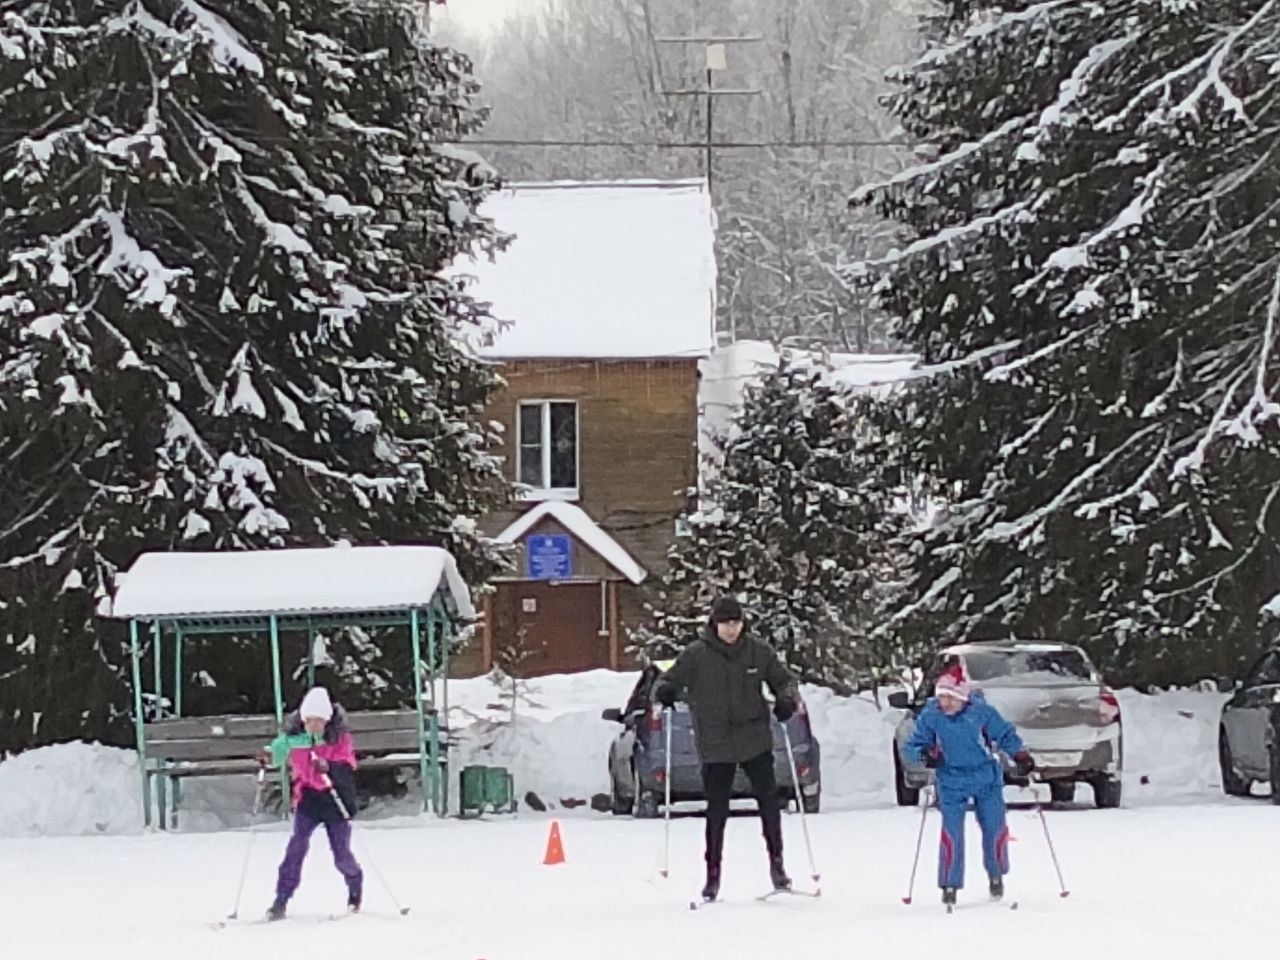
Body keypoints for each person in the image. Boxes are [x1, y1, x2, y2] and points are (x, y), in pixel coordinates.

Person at [654, 596, 798, 901]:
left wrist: (786, 700)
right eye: (725, 624)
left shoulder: (758, 650)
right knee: (716, 811)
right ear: (714, 624)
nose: (731, 629)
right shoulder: (696, 654)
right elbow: (669, 679)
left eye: (736, 623)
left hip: (754, 738)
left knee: (769, 804)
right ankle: (712, 876)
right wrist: (666, 690)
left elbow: (784, 681)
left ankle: (778, 866)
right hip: (715, 741)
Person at [904, 671, 1035, 907]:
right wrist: (924, 755)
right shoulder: (932, 715)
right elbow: (913, 745)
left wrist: (1020, 755)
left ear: (963, 698)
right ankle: (949, 884)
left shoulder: (982, 713)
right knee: (951, 832)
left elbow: (1005, 734)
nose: (945, 703)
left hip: (986, 778)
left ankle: (996, 874)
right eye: (942, 697)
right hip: (951, 780)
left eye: (951, 698)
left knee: (994, 828)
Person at [258, 687, 363, 920]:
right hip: (309, 797)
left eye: (319, 721)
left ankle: (355, 885)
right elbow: (279, 750)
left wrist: (330, 767)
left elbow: (347, 764)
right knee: (296, 846)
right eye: (309, 720)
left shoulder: (339, 737)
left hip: (335, 799)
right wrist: (269, 756)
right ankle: (281, 899)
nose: (314, 726)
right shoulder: (295, 737)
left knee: (341, 853)